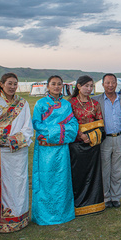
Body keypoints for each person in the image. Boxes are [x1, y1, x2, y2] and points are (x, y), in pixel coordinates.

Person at [32, 75, 79, 225]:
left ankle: (63, 213)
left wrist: (54, 132)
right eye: (53, 84)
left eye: (59, 84)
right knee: (45, 180)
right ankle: (44, 215)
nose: (56, 87)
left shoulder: (66, 105)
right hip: (45, 150)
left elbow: (73, 124)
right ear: (48, 86)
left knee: (62, 180)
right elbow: (37, 124)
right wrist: (60, 130)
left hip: (62, 149)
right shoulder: (40, 104)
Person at [0, 72, 33, 233]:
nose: (13, 87)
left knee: (19, 183)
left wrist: (13, 140)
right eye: (9, 83)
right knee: (3, 184)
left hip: (18, 151)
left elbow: (27, 127)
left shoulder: (23, 103)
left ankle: (20, 218)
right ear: (2, 84)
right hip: (0, 152)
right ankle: (0, 221)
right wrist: (1, 139)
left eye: (15, 84)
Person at [69, 75, 106, 216]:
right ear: (78, 86)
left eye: (91, 86)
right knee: (78, 175)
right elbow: (68, 122)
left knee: (93, 175)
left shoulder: (95, 104)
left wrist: (90, 137)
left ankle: (94, 204)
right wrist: (80, 135)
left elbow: (100, 123)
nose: (89, 89)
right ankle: (78, 205)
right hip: (76, 145)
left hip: (92, 145)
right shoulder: (70, 103)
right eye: (86, 86)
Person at [93, 73, 121, 208]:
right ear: (102, 84)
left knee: (117, 170)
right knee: (104, 169)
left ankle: (116, 197)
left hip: (119, 138)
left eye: (113, 82)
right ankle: (106, 197)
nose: (110, 85)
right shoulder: (96, 100)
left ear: (116, 84)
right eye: (107, 83)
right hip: (105, 139)